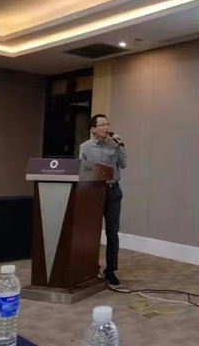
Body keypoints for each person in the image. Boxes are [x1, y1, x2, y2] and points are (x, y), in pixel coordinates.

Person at [79, 114, 126, 285]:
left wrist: (119, 147)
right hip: (94, 192)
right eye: (102, 125)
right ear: (94, 129)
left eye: (107, 124)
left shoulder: (114, 144)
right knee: (91, 232)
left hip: (113, 191)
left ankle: (110, 270)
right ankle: (89, 266)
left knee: (112, 232)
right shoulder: (85, 147)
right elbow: (81, 171)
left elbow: (123, 165)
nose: (106, 128)